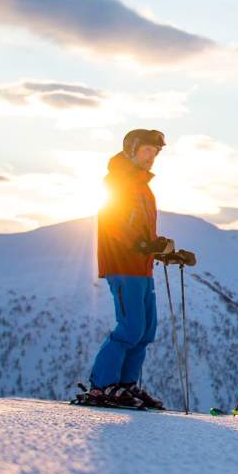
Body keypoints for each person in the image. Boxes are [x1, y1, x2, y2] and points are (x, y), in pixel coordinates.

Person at [80, 128, 193, 410]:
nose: (151, 157)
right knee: (130, 327)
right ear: (131, 149)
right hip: (123, 265)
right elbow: (116, 224)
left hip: (141, 267)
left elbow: (139, 230)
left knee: (145, 331)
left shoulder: (142, 185)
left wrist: (163, 251)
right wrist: (148, 244)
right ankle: (102, 387)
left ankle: (126, 385)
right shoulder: (119, 181)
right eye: (146, 151)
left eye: (155, 152)